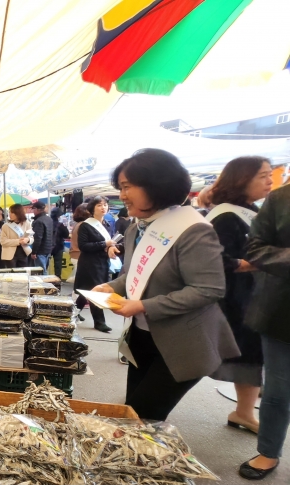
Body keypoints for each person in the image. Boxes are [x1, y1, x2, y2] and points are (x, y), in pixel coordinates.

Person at [93, 148, 239, 421]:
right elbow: (134, 274)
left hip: (183, 343)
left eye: (127, 187)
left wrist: (142, 305)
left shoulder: (193, 229)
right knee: (133, 414)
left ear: (157, 185)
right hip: (141, 336)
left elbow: (208, 290)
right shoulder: (137, 227)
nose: (121, 195)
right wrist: (112, 287)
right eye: (120, 187)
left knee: (141, 416)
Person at [207, 156, 273, 435]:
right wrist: (255, 264)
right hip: (236, 298)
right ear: (242, 178)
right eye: (263, 176)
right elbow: (215, 258)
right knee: (242, 353)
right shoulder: (226, 215)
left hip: (250, 295)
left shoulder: (249, 210)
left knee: (250, 355)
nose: (270, 181)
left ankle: (243, 412)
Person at [238, 183, 290, 480]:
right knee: (278, 390)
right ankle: (269, 451)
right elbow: (253, 247)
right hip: (282, 310)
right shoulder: (282, 198)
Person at [74, 196, 117, 333]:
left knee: (86, 291)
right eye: (99, 205)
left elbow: (110, 242)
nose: (103, 207)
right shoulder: (86, 225)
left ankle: (72, 312)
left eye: (105, 205)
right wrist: (105, 244)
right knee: (95, 291)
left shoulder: (107, 224)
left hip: (103, 261)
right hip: (90, 263)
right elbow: (83, 246)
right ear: (92, 209)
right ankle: (99, 322)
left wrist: (111, 247)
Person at [1, 203, 33, 268]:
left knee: (23, 273)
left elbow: (31, 237)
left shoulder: (27, 223)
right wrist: (18, 241)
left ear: (19, 213)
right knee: (12, 275)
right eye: (9, 212)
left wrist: (28, 240)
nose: (10, 214)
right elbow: (3, 242)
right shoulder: (6, 226)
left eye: (12, 213)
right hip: (9, 254)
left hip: (23, 252)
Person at [30, 201, 53, 274]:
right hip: (48, 249)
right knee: (44, 269)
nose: (33, 211)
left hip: (40, 250)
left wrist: (34, 252)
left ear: (36, 209)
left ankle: (44, 285)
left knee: (41, 272)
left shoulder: (38, 221)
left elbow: (38, 238)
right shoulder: (49, 219)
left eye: (33, 209)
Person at [50, 207, 70, 280]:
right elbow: (66, 235)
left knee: (45, 264)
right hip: (58, 246)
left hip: (48, 246)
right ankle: (57, 279)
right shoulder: (60, 225)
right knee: (58, 264)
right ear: (58, 216)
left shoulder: (48, 223)